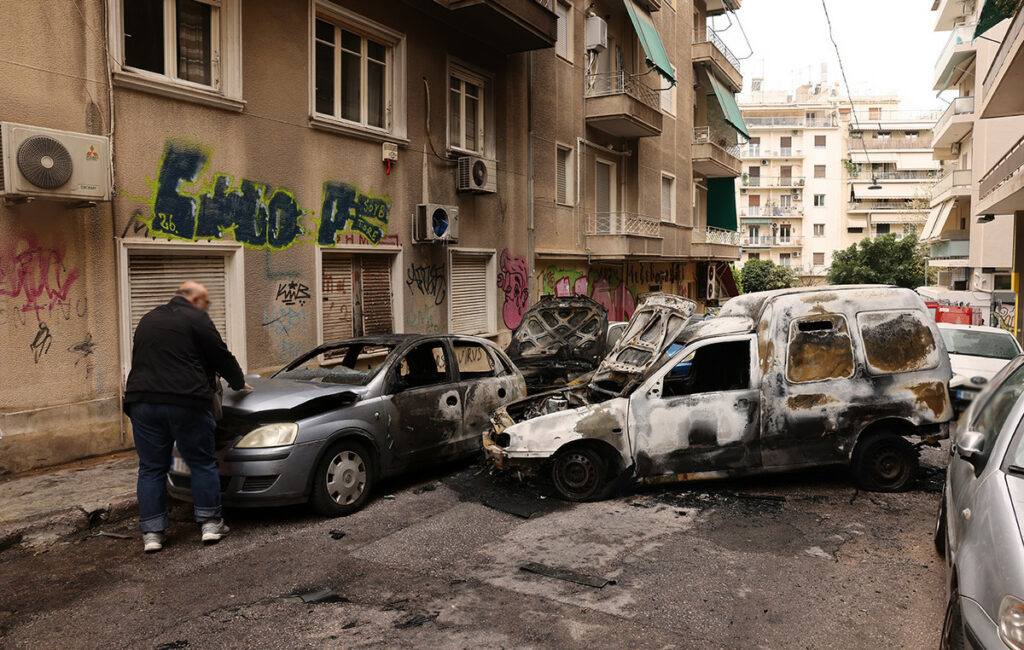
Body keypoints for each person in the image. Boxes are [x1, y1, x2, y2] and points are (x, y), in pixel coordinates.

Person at [124, 281, 251, 553]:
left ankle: (152, 533)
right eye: (206, 302)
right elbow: (220, 356)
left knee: (151, 468)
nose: (207, 307)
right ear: (195, 300)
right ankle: (210, 524)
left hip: (142, 402)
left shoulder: (148, 318)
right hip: (186, 401)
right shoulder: (197, 319)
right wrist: (238, 382)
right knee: (202, 462)